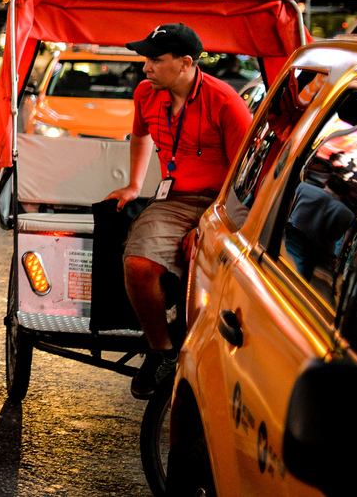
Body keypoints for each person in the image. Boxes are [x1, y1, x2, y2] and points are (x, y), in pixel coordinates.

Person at [105, 23, 252, 399]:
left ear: (186, 63)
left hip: (222, 201)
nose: (145, 68)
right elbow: (139, 135)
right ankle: (161, 350)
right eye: (146, 60)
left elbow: (247, 177)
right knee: (138, 264)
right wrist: (135, 184)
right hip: (174, 199)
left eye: (155, 60)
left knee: (205, 259)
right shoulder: (146, 94)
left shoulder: (225, 101)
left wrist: (214, 224)